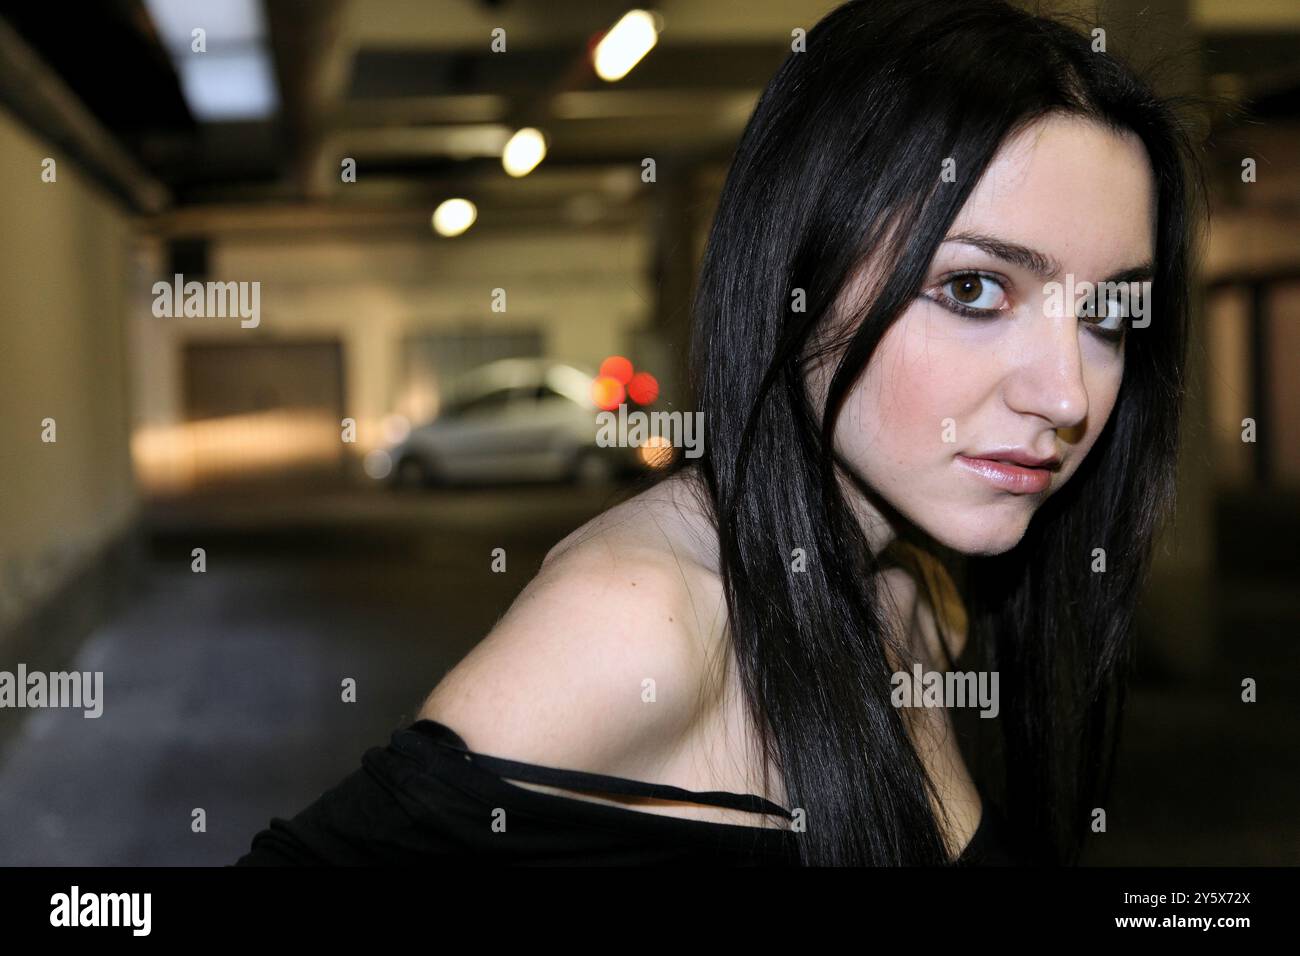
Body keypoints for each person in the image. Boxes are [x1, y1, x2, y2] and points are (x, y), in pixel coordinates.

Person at [236, 0, 1206, 867]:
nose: (1067, 393)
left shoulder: (920, 596)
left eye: (1107, 316)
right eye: (972, 288)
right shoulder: (638, 623)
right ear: (799, 266)